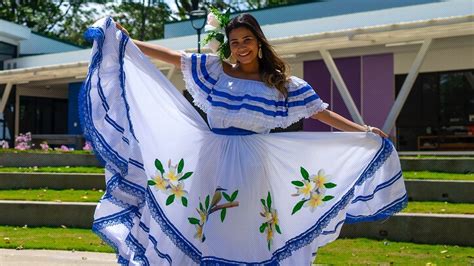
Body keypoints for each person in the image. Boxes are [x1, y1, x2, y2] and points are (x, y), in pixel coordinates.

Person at [83, 13, 406, 266]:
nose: (241, 47)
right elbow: (170, 56)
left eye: (247, 39)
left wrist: (361, 131)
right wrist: (127, 40)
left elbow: (320, 112)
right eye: (235, 41)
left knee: (246, 230)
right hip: (211, 161)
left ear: (259, 42)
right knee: (206, 227)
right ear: (228, 46)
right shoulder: (215, 72)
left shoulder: (282, 85)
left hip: (253, 165)